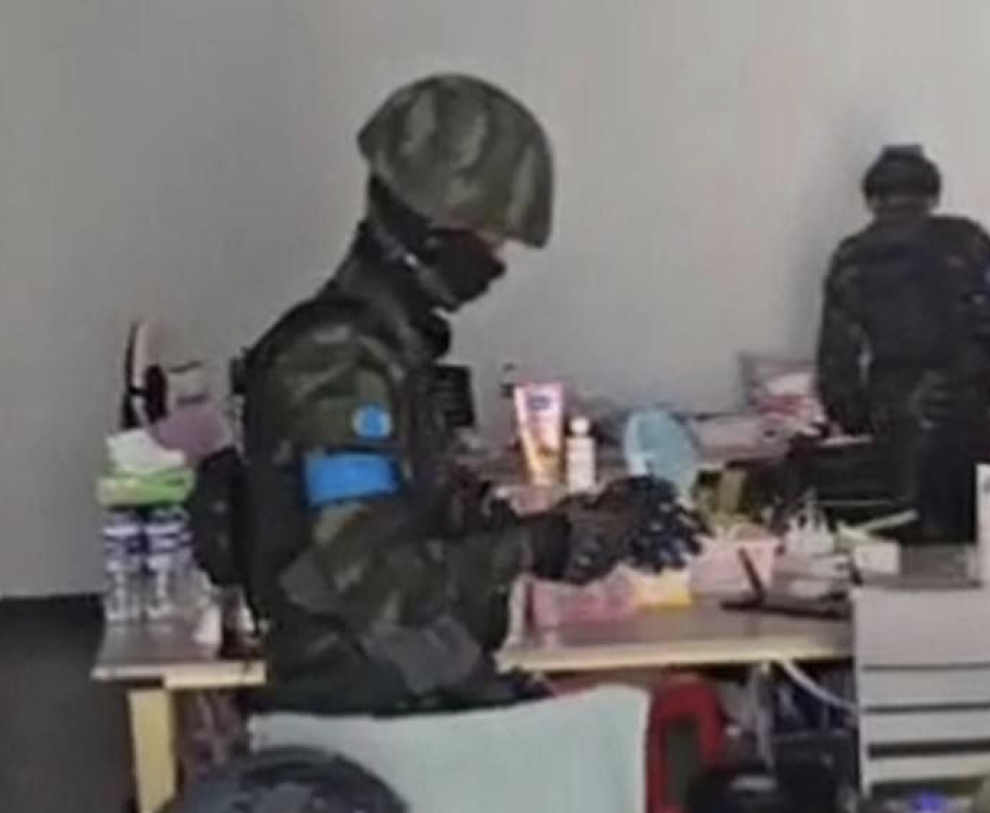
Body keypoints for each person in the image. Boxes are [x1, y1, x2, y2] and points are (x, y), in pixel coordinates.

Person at [241, 75, 701, 715]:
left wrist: (591, 524)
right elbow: (374, 582)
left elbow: (420, 528)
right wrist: (538, 545)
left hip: (410, 690)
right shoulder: (339, 365)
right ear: (431, 232)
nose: (497, 262)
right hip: (369, 711)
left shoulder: (386, 353)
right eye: (489, 239)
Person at [816, 145, 990, 542]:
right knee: (979, 532)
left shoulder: (851, 256)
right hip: (970, 405)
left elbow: (837, 353)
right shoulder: (969, 241)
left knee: (904, 533)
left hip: (895, 410)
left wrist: (852, 414)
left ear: (871, 199)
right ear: (933, 196)